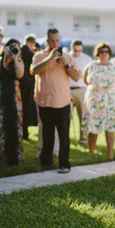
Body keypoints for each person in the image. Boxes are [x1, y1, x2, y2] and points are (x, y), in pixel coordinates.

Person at [31, 28, 80, 173]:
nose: (55, 43)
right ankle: (46, 161)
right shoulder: (39, 56)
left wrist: (66, 64)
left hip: (62, 100)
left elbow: (77, 77)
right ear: (47, 42)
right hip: (45, 101)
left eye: (57, 40)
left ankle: (64, 163)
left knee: (64, 134)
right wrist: (49, 58)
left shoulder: (67, 57)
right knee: (47, 133)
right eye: (52, 40)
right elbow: (34, 71)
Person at [0, 38, 24, 166]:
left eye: (16, 47)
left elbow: (19, 75)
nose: (13, 50)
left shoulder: (19, 61)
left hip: (13, 93)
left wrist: (15, 57)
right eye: (11, 47)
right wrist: (3, 56)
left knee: (14, 124)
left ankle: (13, 159)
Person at [82, 42, 115, 158]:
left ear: (109, 53)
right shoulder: (91, 65)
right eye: (101, 51)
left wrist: (107, 91)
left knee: (110, 127)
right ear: (97, 53)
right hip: (94, 100)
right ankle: (91, 152)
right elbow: (85, 80)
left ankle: (110, 153)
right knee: (93, 126)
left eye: (106, 52)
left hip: (110, 100)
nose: (104, 54)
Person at [69, 39, 92, 144]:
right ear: (71, 47)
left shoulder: (87, 59)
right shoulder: (66, 57)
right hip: (67, 89)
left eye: (79, 50)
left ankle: (83, 138)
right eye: (75, 50)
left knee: (83, 115)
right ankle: (65, 138)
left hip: (81, 89)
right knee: (66, 115)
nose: (77, 52)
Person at [19, 34, 39, 140]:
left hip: (24, 83)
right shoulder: (27, 52)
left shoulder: (22, 51)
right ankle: (24, 132)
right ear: (30, 43)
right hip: (26, 84)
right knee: (26, 108)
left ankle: (24, 131)